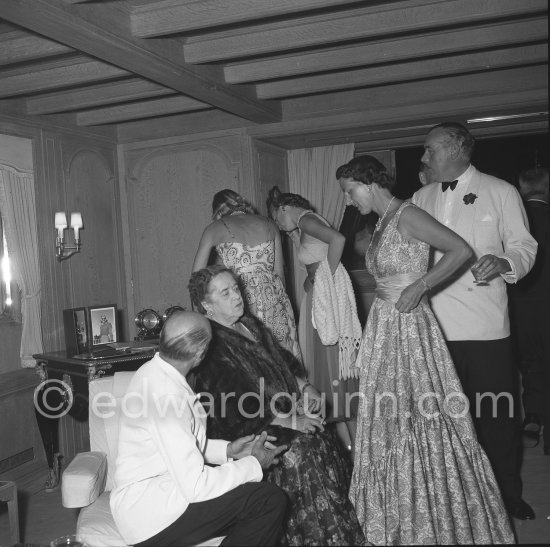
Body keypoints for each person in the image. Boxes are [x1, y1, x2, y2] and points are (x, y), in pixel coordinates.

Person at [336, 154, 514, 545]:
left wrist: (422, 285)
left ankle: (434, 508)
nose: (349, 201)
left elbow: (459, 250)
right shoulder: (381, 221)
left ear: (368, 183)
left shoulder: (408, 215)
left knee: (420, 415)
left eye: (350, 192)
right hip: (386, 326)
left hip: (409, 329)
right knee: (390, 416)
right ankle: (400, 508)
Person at [412, 122, 538, 521]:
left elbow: (524, 247)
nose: (423, 157)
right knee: (443, 420)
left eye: (429, 149)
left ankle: (506, 494)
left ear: (455, 149)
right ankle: (451, 498)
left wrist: (503, 262)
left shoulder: (501, 191)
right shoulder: (419, 196)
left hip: (485, 328)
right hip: (434, 329)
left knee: (496, 417)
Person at [189, 266, 365, 546]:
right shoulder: (211, 346)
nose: (237, 296)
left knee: (322, 436)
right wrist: (288, 421)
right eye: (226, 293)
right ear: (206, 305)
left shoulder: (251, 324)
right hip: (253, 431)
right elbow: (229, 409)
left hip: (287, 411)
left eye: (236, 288)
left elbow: (285, 364)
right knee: (305, 451)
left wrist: (307, 388)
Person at [110, 310, 288, 547]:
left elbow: (175, 446)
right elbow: (195, 486)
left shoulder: (153, 371)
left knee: (251, 501)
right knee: (268, 500)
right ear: (200, 352)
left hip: (156, 499)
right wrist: (253, 463)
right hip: (152, 517)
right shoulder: (167, 397)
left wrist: (228, 452)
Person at [266, 186, 361, 452]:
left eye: (277, 218)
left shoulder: (307, 219)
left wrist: (325, 279)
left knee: (329, 366)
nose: (280, 227)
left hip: (324, 295)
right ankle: (347, 444)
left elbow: (339, 240)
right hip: (318, 294)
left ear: (284, 207)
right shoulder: (305, 224)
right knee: (324, 366)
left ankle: (352, 444)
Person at [192, 189, 301, 360]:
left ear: (217, 211)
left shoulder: (213, 229)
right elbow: (279, 274)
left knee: (250, 360)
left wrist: (199, 319)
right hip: (275, 298)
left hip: (240, 300)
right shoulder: (270, 224)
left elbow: (196, 279)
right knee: (282, 358)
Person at [509, 166, 549, 454]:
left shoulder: (516, 223)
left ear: (521, 190)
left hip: (521, 306)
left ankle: (533, 411)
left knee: (532, 361)